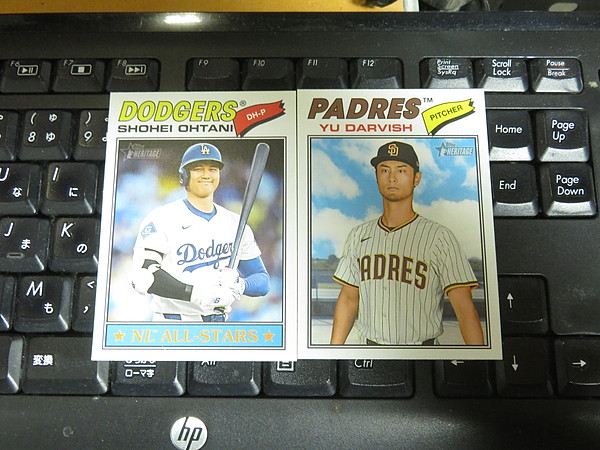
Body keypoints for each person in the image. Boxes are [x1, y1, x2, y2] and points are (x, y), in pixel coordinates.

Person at [330, 141, 484, 345]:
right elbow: (349, 299)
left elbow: (465, 310)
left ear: (416, 178)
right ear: (376, 176)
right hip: (370, 351)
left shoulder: (439, 237)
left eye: (401, 170)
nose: (392, 177)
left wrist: (480, 360)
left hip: (423, 352)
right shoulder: (358, 235)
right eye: (384, 170)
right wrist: (332, 354)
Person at [131, 142, 270, 322]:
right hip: (173, 325)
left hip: (218, 324)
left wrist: (240, 284)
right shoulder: (162, 217)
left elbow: (262, 280)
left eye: (213, 169)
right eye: (198, 169)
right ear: (184, 175)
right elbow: (144, 277)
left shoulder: (235, 223)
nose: (206, 175)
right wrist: (195, 293)